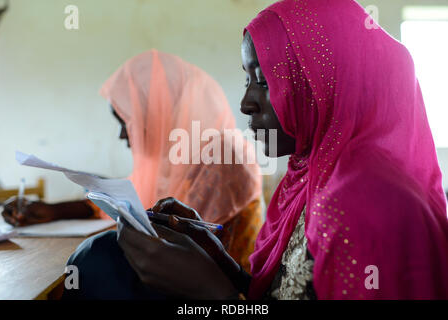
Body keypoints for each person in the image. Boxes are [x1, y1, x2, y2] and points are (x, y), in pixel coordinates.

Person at [65, 0, 448, 300]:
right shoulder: (312, 176)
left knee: (100, 266)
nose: (246, 102)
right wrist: (223, 264)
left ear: (328, 86)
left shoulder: (365, 200)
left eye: (266, 82)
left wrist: (214, 293)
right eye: (248, 79)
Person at [3, 50, 262, 273]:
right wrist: (52, 210)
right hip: (180, 280)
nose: (122, 135)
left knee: (88, 265)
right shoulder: (176, 157)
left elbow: (174, 243)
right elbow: (126, 202)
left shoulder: (222, 156)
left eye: (127, 122)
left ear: (157, 112)